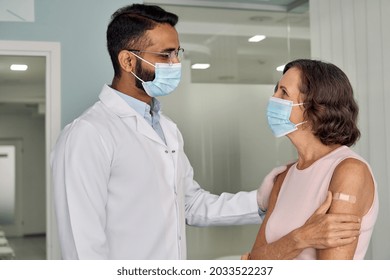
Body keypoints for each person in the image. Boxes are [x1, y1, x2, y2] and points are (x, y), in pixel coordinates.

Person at [51, 4, 361, 260]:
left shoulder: (167, 129)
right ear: (128, 60)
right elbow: (81, 247)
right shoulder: (88, 135)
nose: (175, 63)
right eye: (165, 55)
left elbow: (190, 205)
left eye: (177, 53)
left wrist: (259, 201)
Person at [244, 59, 378, 260]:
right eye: (276, 91)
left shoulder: (349, 171)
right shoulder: (283, 177)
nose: (273, 98)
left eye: (283, 93)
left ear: (316, 108)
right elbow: (254, 263)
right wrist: (301, 237)